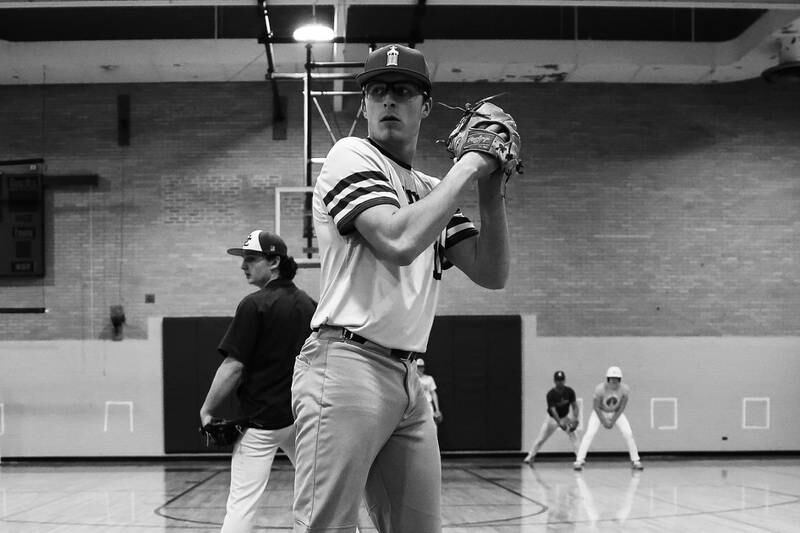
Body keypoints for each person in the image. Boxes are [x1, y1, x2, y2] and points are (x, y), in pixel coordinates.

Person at [291, 43, 512, 533]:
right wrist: (469, 166)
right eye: (378, 91)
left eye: (404, 91)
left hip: (410, 379)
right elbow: (398, 240)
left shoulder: (434, 189)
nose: (390, 100)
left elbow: (491, 272)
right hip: (346, 364)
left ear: (425, 105)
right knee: (326, 526)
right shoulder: (349, 155)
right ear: (365, 104)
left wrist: (490, 186)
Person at [200, 230, 316, 533]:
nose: (243, 266)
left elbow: (233, 365)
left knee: (242, 504)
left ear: (274, 261)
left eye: (251, 259)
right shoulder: (311, 306)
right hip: (300, 419)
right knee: (320, 496)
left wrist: (207, 409)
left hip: (260, 424)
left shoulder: (254, 305)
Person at [573, 366, 644, 471]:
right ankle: (579, 460)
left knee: (628, 433)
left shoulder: (624, 389)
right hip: (600, 412)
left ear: (620, 380)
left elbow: (622, 406)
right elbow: (596, 407)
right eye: (612, 379)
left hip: (615, 412)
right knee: (590, 433)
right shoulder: (600, 389)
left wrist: (613, 420)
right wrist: (604, 421)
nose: (614, 382)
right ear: (608, 379)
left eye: (616, 379)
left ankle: (635, 460)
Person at [523, 370, 580, 465]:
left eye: (561, 380)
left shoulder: (569, 391)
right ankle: (531, 456)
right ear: (554, 381)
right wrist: (559, 422)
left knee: (574, 436)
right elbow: (553, 410)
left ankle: (580, 458)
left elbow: (574, 406)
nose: (560, 382)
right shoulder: (551, 394)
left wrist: (575, 418)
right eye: (558, 380)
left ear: (564, 380)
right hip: (552, 419)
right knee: (541, 438)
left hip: (565, 417)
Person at [416, 358, 443, 424]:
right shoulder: (411, 379)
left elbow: (433, 393)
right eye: (418, 367)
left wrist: (437, 409)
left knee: (431, 425)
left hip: (428, 405)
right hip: (416, 405)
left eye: (421, 367)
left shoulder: (429, 379)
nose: (420, 369)